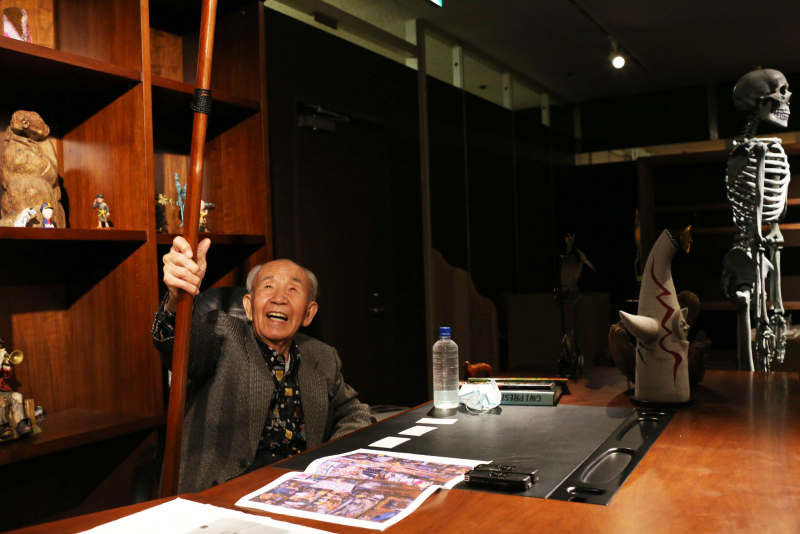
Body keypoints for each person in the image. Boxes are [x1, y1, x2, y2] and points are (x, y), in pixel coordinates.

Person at [152, 237, 375, 493]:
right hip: (222, 494)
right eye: (268, 287)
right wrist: (176, 300)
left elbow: (355, 413)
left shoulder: (322, 356)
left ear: (309, 313)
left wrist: (330, 464)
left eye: (293, 289)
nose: (279, 298)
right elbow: (181, 348)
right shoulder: (222, 333)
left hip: (302, 492)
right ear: (248, 306)